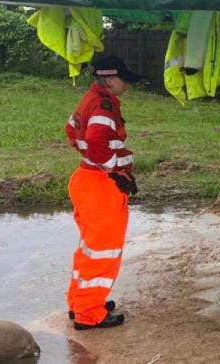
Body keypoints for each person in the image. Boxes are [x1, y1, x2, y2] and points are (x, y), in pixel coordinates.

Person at [64, 55, 141, 330]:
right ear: (110, 79)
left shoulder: (90, 100)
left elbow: (71, 129)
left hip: (87, 180)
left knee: (90, 249)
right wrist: (114, 170)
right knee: (103, 252)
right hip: (100, 186)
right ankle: (89, 313)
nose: (128, 85)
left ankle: (81, 302)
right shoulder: (103, 107)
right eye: (124, 79)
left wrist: (102, 163)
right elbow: (97, 142)